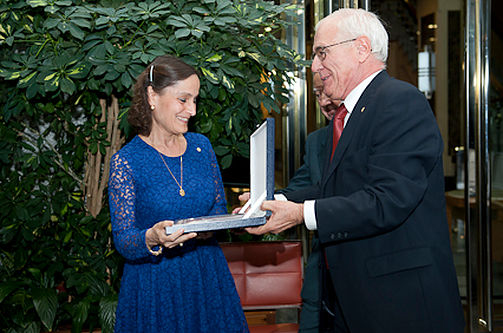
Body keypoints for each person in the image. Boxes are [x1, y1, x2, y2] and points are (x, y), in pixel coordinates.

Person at [247, 8, 465, 333]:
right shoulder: (350, 114)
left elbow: (387, 200)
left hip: (400, 305)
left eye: (322, 53)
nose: (315, 66)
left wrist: (299, 214)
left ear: (361, 49)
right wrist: (272, 201)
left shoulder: (399, 101)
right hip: (354, 302)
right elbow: (336, 187)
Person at [108, 55, 249, 333]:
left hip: (207, 277)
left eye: (195, 100)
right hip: (156, 286)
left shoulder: (202, 147)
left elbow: (218, 208)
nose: (192, 110)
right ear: (152, 96)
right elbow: (123, 240)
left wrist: (237, 219)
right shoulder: (126, 161)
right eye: (183, 100)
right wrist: (152, 237)